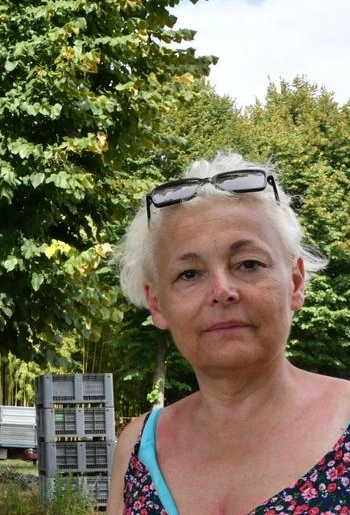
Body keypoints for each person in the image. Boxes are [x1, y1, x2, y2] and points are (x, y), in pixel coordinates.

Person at [106, 151, 350, 514]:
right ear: (157, 304)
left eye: (248, 264)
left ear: (296, 284)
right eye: (189, 274)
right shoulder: (137, 449)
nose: (222, 290)